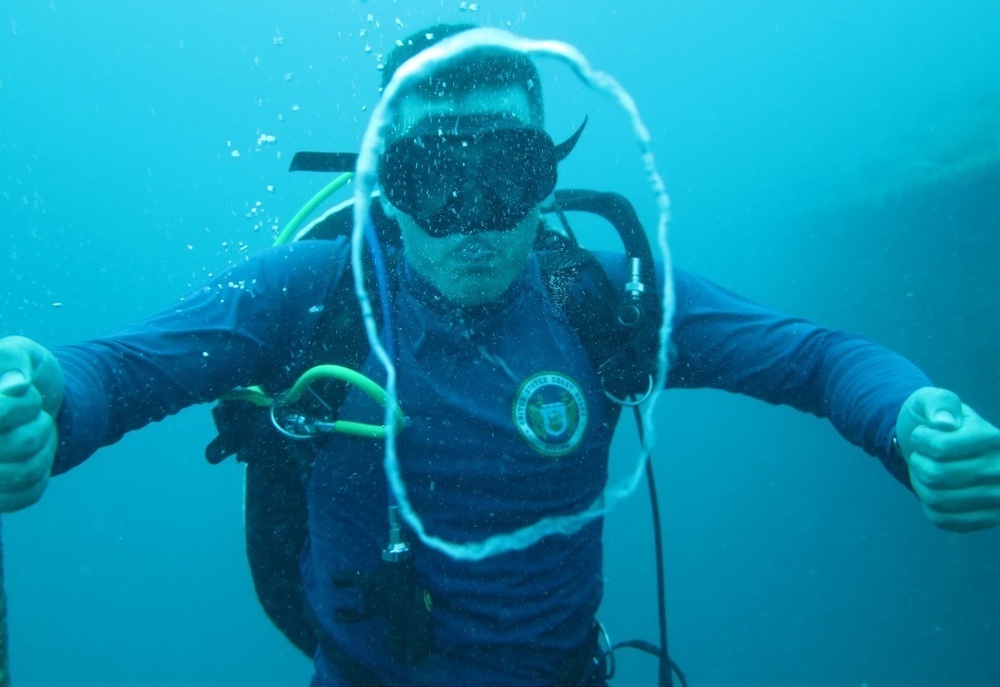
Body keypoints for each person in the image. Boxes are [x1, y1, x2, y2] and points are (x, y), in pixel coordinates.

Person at [1, 22, 999, 687]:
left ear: (548, 172)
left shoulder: (602, 296)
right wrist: (44, 399)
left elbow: (815, 358)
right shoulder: (302, 295)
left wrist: (910, 419)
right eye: (434, 177)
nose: (471, 219)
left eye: (506, 171)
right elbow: (118, 373)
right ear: (384, 186)